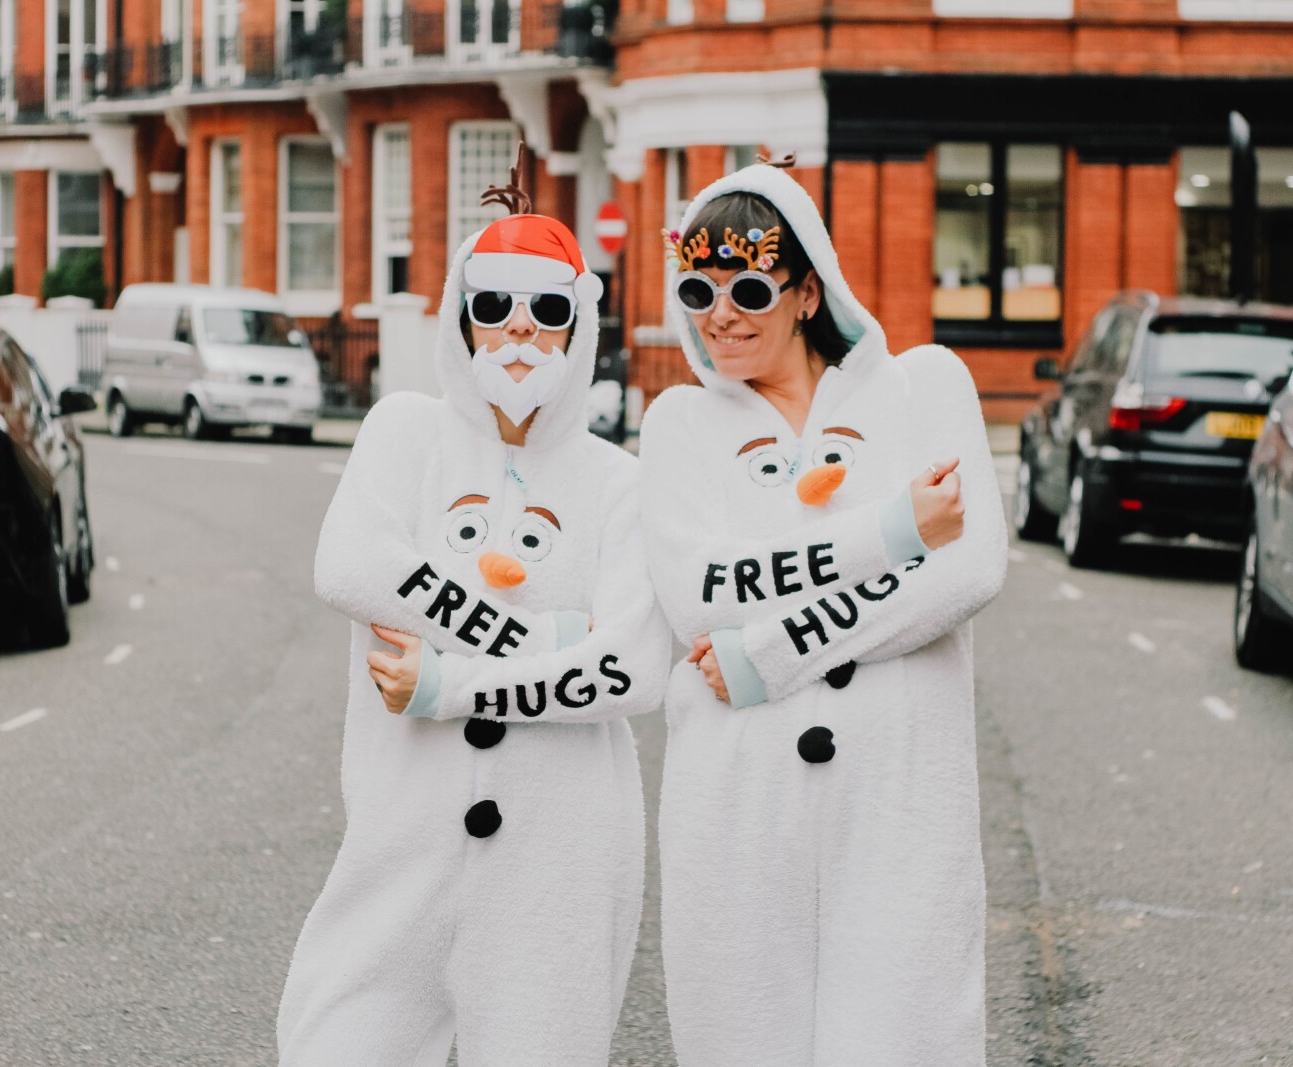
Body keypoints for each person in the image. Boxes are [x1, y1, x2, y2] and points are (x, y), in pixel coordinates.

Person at [277, 165, 669, 1067]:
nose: (520, 329)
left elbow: (634, 668)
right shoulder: (405, 432)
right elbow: (355, 565)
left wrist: (450, 681)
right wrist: (555, 640)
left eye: (546, 309)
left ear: (581, 322)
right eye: (492, 304)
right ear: (461, 315)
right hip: (401, 835)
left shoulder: (619, 481)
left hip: (561, 855)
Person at [639, 160, 1007, 1067]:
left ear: (808, 291)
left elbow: (969, 569)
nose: (718, 314)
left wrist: (771, 651)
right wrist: (895, 530)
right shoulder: (679, 422)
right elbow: (698, 593)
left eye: (749, 287)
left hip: (898, 800)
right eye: (698, 287)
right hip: (736, 803)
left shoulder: (925, 386)